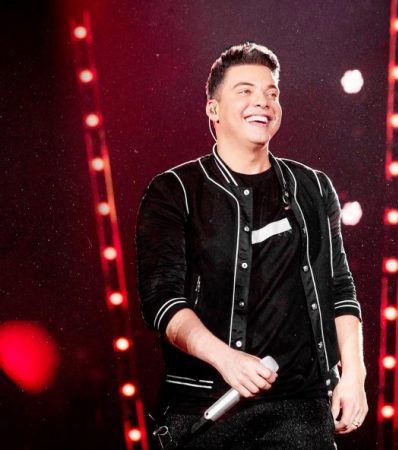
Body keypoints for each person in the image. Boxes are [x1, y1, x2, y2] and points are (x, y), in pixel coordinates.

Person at [135, 42, 368, 449]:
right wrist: (226, 359)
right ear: (213, 109)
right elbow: (163, 301)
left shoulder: (314, 187)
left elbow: (340, 290)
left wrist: (354, 375)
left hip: (302, 410)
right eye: (245, 90)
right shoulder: (174, 191)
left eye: (271, 92)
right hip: (209, 408)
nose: (262, 101)